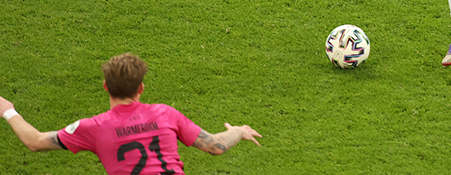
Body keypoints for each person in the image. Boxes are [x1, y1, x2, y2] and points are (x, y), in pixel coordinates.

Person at [0, 53, 261, 175]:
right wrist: (238, 131)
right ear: (141, 88)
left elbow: (33, 141)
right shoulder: (165, 114)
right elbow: (216, 146)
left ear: (105, 87)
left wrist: (8, 110)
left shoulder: (93, 127)